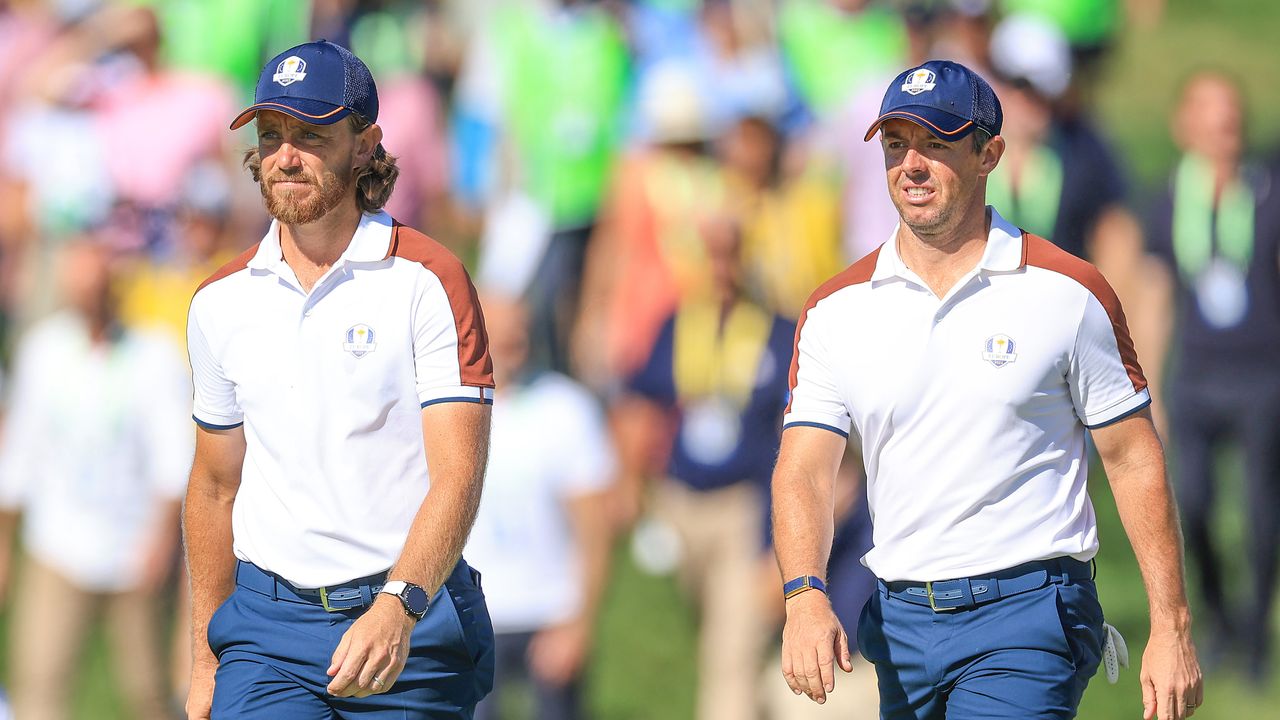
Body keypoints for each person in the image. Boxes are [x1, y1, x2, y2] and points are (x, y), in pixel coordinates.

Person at [772, 60, 1203, 720]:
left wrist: (1170, 628)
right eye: (896, 145)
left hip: (1029, 618)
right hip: (900, 621)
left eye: (937, 144)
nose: (912, 165)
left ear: (989, 154)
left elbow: (1132, 456)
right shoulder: (835, 310)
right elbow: (804, 469)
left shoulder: (1068, 293)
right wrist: (804, 593)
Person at [183, 40, 495, 719]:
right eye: (271, 137)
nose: (285, 156)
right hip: (264, 634)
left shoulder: (429, 281)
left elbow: (458, 474)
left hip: (405, 620)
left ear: (364, 145)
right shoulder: (218, 301)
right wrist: (206, 657)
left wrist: (399, 606)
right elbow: (213, 486)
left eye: (311, 135)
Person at [0, 239, 192, 720]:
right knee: (39, 682)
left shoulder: (154, 356)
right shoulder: (43, 350)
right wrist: (5, 540)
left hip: (132, 548)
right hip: (57, 543)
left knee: (147, 689)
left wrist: (160, 541)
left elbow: (173, 458)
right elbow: (21, 450)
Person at [615, 213, 795, 720]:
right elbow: (639, 402)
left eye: (731, 252)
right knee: (700, 634)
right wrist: (633, 483)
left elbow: (798, 436)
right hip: (679, 503)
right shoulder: (677, 323)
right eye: (711, 254)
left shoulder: (778, 331)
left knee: (729, 652)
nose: (721, 267)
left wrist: (779, 539)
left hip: (743, 508)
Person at [1142, 71, 1280, 681]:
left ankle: (1255, 637)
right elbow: (1155, 293)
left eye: (1230, 114)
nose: (1222, 127)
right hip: (1195, 379)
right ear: (1185, 126)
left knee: (1261, 512)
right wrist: (1145, 390)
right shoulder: (1170, 196)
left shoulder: (1268, 188)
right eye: (1208, 114)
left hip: (1262, 375)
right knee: (1191, 506)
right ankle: (1220, 619)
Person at [466, 293, 617, 720]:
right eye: (499, 331)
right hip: (471, 618)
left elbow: (595, 526)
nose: (513, 340)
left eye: (519, 329)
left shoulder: (565, 408)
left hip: (550, 612)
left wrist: (580, 621)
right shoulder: (443, 409)